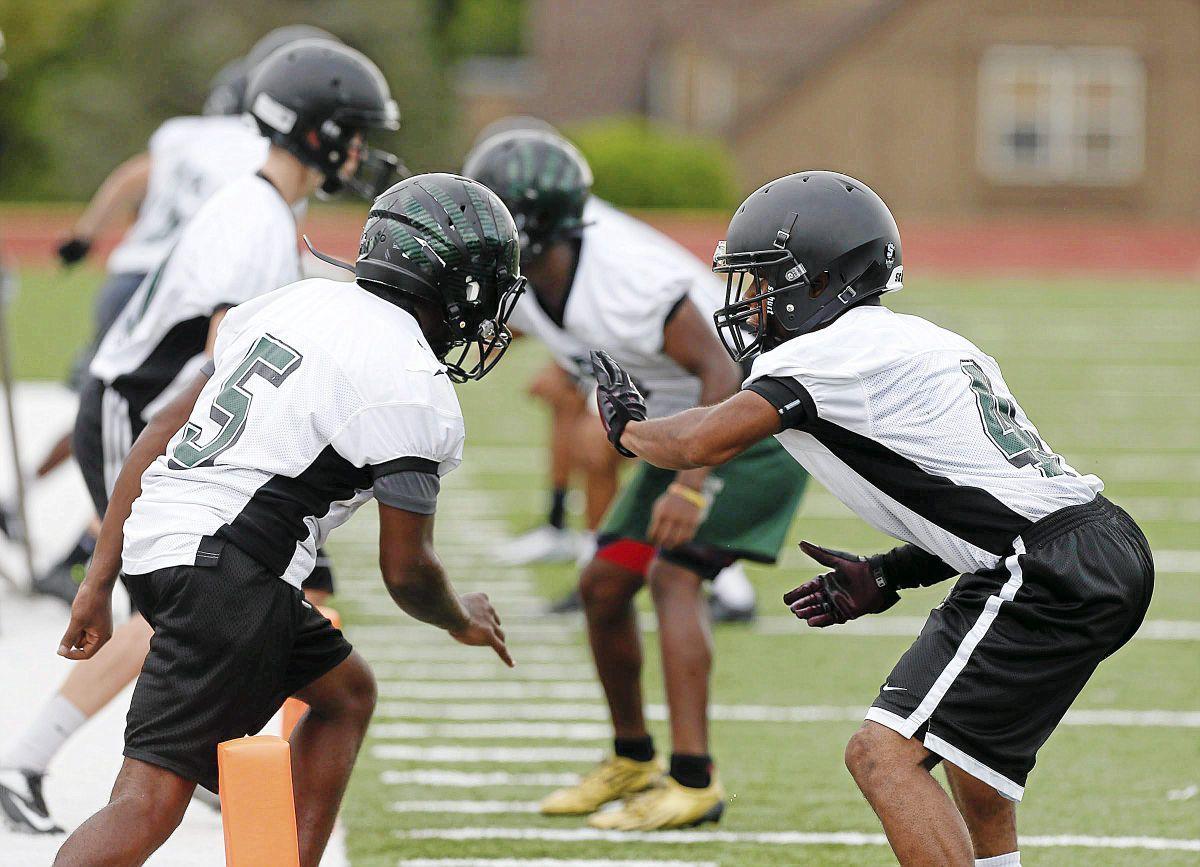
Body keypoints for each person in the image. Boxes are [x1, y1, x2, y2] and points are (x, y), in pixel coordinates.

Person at [590, 170, 1154, 863]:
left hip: (1041, 567)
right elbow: (990, 503)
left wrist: (628, 431)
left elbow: (703, 440)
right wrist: (890, 573)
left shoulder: (829, 353)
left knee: (881, 755)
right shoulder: (926, 340)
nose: (752, 303)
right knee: (968, 757)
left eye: (764, 282)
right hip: (1088, 541)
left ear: (819, 281)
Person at [50, 171, 523, 866]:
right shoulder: (410, 382)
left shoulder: (295, 302)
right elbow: (407, 569)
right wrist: (460, 615)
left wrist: (99, 577)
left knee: (346, 692)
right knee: (146, 803)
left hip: (165, 546)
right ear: (455, 284)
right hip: (231, 572)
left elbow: (159, 434)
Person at [0, 37, 401, 835]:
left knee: (277, 594)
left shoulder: (264, 207)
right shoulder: (252, 216)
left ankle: (221, 752)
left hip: (175, 413)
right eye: (353, 130)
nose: (361, 149)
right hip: (143, 408)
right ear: (317, 131)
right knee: (181, 598)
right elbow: (228, 355)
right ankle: (27, 758)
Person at [464, 131, 808, 829]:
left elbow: (727, 371)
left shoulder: (625, 275)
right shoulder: (541, 269)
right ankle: (633, 757)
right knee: (602, 584)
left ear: (532, 231)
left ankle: (693, 779)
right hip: (682, 429)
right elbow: (534, 326)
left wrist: (691, 487)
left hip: (751, 425)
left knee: (674, 575)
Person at [32, 24, 342, 603]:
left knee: (112, 419)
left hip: (136, 277)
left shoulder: (189, 141)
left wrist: (83, 236)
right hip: (183, 309)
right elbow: (222, 346)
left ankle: (61, 533)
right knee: (142, 441)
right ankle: (84, 556)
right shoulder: (259, 186)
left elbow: (132, 179)